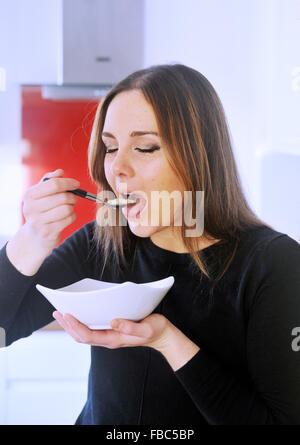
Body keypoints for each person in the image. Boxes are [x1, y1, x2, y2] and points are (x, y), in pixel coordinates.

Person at [1, 64, 300, 425]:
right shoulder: (105, 239)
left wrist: (168, 341)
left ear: (198, 155)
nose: (117, 169)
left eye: (145, 147)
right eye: (111, 148)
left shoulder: (274, 264)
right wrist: (32, 237)